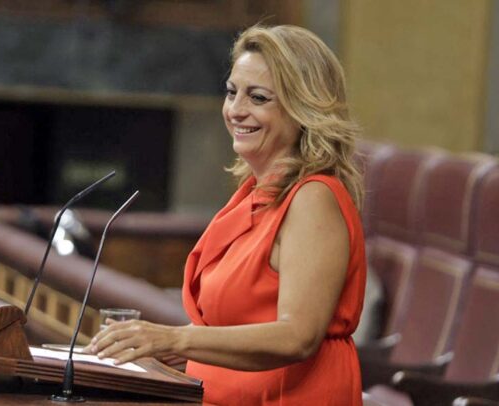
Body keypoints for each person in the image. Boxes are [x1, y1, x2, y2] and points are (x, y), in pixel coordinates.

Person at [84, 24, 366, 405]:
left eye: (258, 98)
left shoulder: (313, 198)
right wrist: (171, 348)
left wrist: (175, 337)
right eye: (232, 92)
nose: (236, 110)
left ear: (304, 108)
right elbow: (241, 321)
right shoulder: (254, 192)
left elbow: (298, 335)